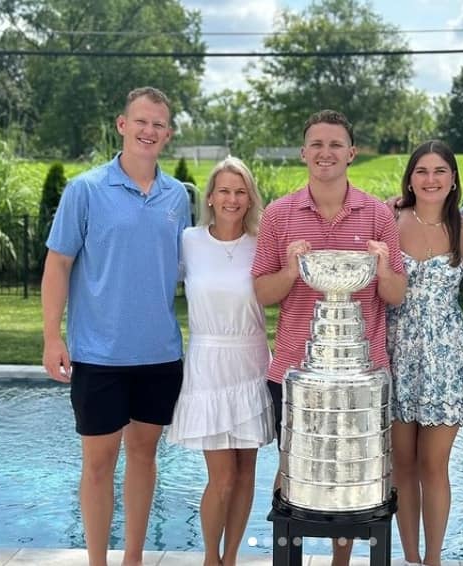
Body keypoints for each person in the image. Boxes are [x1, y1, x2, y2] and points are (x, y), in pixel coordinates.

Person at [41, 86, 191, 566]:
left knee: (145, 459)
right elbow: (58, 263)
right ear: (122, 125)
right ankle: (98, 561)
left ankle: (134, 558)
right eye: (141, 121)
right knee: (99, 463)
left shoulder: (178, 198)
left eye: (158, 125)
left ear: (167, 135)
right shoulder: (85, 190)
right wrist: (51, 336)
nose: (149, 131)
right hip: (98, 355)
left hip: (159, 355)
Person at [251, 109, 407, 566]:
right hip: (295, 370)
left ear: (351, 153)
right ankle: (289, 556)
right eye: (317, 144)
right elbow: (262, 292)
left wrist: (380, 267)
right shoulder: (279, 215)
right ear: (304, 153)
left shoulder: (378, 215)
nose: (326, 153)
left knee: (351, 476)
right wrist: (290, 268)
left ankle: (342, 562)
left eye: (335, 144)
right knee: (294, 469)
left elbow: (396, 294)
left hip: (362, 372)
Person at [167, 157, 275, 566]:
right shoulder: (189, 241)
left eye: (240, 190)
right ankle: (211, 557)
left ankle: (231, 557)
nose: (232, 198)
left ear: (250, 198)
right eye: (224, 190)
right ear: (210, 196)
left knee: (246, 471)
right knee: (222, 476)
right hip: (208, 364)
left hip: (251, 361)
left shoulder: (262, 243)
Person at [386, 140, 463, 566]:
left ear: (453, 178)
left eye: (440, 170)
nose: (430, 179)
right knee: (401, 465)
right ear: (410, 178)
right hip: (396, 352)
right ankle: (409, 557)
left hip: (445, 358)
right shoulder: (389, 219)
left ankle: (433, 559)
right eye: (421, 171)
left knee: (433, 465)